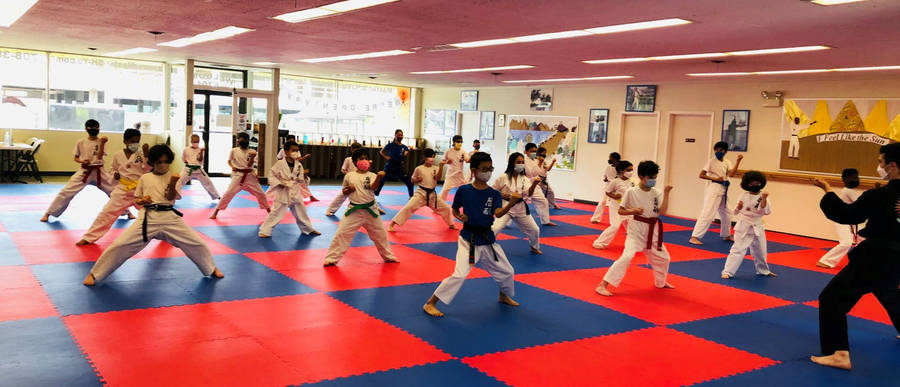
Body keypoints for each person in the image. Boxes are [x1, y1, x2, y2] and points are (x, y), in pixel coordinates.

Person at [809, 143, 900, 370]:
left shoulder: (879, 195)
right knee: (889, 294)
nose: (879, 167)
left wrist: (828, 191)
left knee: (831, 299)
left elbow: (845, 214)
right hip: (897, 259)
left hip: (876, 256)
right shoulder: (880, 194)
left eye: (881, 162)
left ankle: (837, 353)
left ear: (893, 166)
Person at [83, 145, 223, 286]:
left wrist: (173, 182)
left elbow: (170, 197)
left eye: (167, 162)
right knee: (120, 244)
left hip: (170, 218)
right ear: (152, 163)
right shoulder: (145, 178)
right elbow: (137, 198)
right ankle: (95, 274)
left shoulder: (175, 177)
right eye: (160, 162)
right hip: (148, 218)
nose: (164, 165)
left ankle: (211, 268)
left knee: (196, 242)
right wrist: (143, 200)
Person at [423, 152, 521, 317]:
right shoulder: (464, 190)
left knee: (508, 271)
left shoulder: (494, 194)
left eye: (490, 169)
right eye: (484, 169)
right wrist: (459, 216)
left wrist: (510, 204)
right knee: (460, 274)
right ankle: (430, 303)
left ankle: (503, 295)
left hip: (487, 239)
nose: (488, 172)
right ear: (474, 171)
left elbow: (497, 214)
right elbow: (454, 210)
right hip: (469, 239)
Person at [595, 161, 674, 297]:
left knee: (664, 258)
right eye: (651, 177)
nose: (653, 180)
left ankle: (660, 282)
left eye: (655, 177)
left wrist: (666, 193)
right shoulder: (631, 192)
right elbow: (621, 211)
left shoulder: (657, 192)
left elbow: (663, 212)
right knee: (627, 256)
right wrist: (634, 211)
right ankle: (602, 285)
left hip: (653, 231)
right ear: (641, 176)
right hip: (636, 230)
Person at [76, 129, 151, 245]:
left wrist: (146, 155)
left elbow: (148, 168)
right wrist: (115, 175)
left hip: (140, 191)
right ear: (125, 141)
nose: (135, 144)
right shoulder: (118, 155)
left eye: (137, 141)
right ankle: (89, 237)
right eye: (132, 141)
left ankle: (167, 234)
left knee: (155, 213)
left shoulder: (141, 154)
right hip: (123, 190)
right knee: (106, 213)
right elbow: (113, 169)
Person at [323, 149, 396, 266]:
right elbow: (344, 191)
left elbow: (373, 188)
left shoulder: (372, 175)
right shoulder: (349, 175)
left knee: (380, 234)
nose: (364, 161)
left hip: (371, 210)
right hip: (354, 210)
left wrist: (378, 177)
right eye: (361, 159)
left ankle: (389, 257)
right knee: (342, 233)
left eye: (366, 158)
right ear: (355, 162)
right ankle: (331, 259)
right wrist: (349, 189)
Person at [41, 119, 116, 222]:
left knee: (114, 190)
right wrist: (81, 161)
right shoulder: (81, 142)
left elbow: (99, 157)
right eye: (92, 128)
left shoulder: (101, 141)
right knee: (66, 191)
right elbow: (75, 158)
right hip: (85, 171)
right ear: (86, 129)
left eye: (97, 127)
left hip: (99, 171)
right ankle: (48, 213)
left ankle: (127, 212)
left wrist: (102, 143)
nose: (95, 130)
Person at [259, 141, 321, 238]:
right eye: (293, 150)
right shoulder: (279, 164)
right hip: (283, 190)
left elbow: (300, 180)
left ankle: (308, 229)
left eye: (297, 150)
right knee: (276, 213)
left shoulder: (299, 165)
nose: (295, 152)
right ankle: (265, 230)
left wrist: (304, 176)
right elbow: (271, 175)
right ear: (286, 152)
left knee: (302, 212)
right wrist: (279, 184)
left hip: (295, 190)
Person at [721, 171, 776, 279]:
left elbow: (765, 211)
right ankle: (728, 271)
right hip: (743, 225)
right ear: (747, 185)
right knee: (738, 249)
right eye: (751, 184)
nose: (755, 185)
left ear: (761, 183)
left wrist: (764, 199)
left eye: (757, 183)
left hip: (757, 225)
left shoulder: (763, 196)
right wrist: (739, 207)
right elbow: (735, 212)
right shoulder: (743, 195)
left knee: (761, 250)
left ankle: (763, 270)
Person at [689, 141, 743, 245]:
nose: (719, 152)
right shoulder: (711, 162)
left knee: (727, 213)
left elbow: (731, 174)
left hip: (724, 189)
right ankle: (694, 236)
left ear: (725, 152)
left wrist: (738, 161)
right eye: (717, 150)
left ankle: (726, 235)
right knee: (708, 212)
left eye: (722, 150)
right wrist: (716, 178)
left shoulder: (727, 162)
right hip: (714, 188)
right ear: (715, 150)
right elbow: (701, 175)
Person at [389, 148, 455, 232]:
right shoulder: (419, 168)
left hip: (432, 195)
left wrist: (441, 167)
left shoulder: (436, 168)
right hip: (420, 194)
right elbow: (412, 180)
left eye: (433, 157)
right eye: (430, 157)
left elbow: (437, 178)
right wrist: (417, 179)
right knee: (408, 207)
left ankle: (451, 224)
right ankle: (392, 224)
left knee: (446, 208)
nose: (432, 159)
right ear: (425, 158)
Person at [210, 132, 271, 219]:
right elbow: (229, 161)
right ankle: (215, 212)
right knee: (228, 194)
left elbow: (249, 165)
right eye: (241, 139)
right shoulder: (234, 151)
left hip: (250, 176)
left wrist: (253, 157)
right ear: (238, 141)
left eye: (245, 139)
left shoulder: (252, 152)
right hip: (237, 176)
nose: (243, 141)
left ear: (248, 141)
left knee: (261, 193)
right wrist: (232, 167)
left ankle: (269, 212)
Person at [491, 152, 543, 254]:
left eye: (522, 162)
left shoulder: (524, 179)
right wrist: (501, 195)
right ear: (512, 163)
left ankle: (534, 246)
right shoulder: (503, 177)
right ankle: (485, 246)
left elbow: (529, 193)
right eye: (518, 162)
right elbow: (493, 191)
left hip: (520, 208)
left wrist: (535, 184)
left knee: (535, 229)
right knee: (495, 228)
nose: (521, 164)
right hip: (506, 207)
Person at [817, 169, 864, 269]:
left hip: (850, 221)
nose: (857, 179)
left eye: (857, 177)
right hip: (842, 221)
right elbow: (860, 204)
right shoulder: (848, 191)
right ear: (845, 179)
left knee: (863, 240)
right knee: (846, 242)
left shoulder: (849, 191)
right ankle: (825, 261)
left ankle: (862, 261)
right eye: (854, 178)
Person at [592, 161, 635, 249]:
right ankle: (599, 242)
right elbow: (607, 192)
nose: (631, 172)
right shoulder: (615, 182)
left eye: (632, 170)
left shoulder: (632, 182)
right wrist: (614, 196)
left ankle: (634, 245)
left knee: (633, 228)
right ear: (621, 171)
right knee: (615, 226)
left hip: (628, 208)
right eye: (629, 170)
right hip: (616, 207)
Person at [178, 134, 220, 200]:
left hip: (198, 170)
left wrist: (201, 151)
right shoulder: (186, 149)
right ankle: (173, 196)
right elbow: (184, 159)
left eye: (197, 141)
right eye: (194, 141)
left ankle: (216, 196)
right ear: (191, 141)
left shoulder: (200, 149)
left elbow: (200, 159)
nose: (196, 143)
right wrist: (190, 163)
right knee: (179, 182)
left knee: (208, 182)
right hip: (188, 170)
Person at [524, 143, 556, 226]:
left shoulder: (536, 160)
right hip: (524, 184)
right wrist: (539, 164)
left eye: (535, 151)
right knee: (516, 203)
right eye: (531, 151)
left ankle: (546, 221)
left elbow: (540, 173)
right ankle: (504, 220)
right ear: (526, 151)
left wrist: (540, 164)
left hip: (534, 184)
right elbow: (530, 172)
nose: (534, 153)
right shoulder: (523, 160)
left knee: (543, 201)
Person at [374, 129, 414, 197]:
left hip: (399, 167)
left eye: (401, 135)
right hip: (390, 166)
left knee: (409, 182)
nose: (400, 136)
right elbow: (381, 151)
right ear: (395, 136)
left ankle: (411, 197)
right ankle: (376, 193)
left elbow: (405, 154)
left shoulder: (404, 147)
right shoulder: (390, 145)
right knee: (381, 181)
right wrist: (386, 157)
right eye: (398, 135)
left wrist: (410, 150)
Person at [591, 152, 621, 223]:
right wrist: (606, 179)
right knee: (602, 202)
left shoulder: (620, 168)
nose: (609, 159)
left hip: (617, 188)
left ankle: (619, 220)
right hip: (607, 187)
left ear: (615, 159)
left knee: (619, 203)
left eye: (610, 158)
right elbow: (605, 177)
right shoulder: (608, 167)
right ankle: (595, 218)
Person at [439, 135, 470, 201]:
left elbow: (467, 160)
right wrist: (447, 161)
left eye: (461, 142)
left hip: (459, 175)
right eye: (458, 142)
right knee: (444, 191)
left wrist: (474, 155)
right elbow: (442, 161)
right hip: (450, 175)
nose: (460, 143)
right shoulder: (448, 151)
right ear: (454, 142)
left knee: (466, 191)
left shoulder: (463, 152)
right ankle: (439, 206)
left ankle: (467, 205)